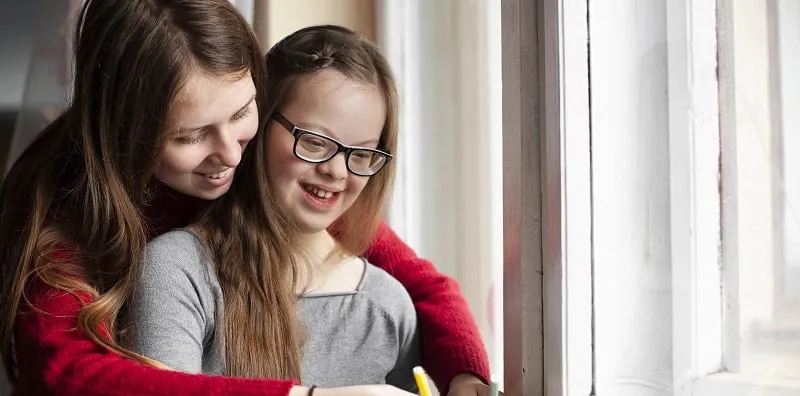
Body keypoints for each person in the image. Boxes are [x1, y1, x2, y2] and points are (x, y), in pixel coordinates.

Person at [0, 1, 490, 395]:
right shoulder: (67, 221)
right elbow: (68, 375)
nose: (232, 155)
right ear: (126, 132)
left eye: (241, 113)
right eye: (190, 136)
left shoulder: (267, 169)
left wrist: (466, 374)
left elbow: (425, 286)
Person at [126, 25, 420, 393]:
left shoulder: (390, 306)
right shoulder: (177, 270)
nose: (337, 171)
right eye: (314, 142)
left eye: (361, 154)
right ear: (259, 124)